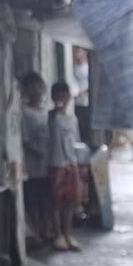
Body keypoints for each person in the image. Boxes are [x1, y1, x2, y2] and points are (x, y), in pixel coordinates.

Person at [16, 72, 57, 253]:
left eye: (39, 86)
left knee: (47, 199)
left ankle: (47, 230)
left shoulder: (47, 112)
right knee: (33, 199)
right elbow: (23, 140)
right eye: (32, 86)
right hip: (32, 166)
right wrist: (35, 152)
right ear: (26, 90)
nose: (36, 90)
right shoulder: (24, 112)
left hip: (49, 164)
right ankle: (37, 232)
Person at [49, 80, 87, 252]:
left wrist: (79, 163)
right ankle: (57, 235)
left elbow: (76, 142)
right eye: (58, 96)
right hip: (56, 163)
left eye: (64, 96)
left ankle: (68, 233)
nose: (61, 100)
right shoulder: (51, 118)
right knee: (57, 202)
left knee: (71, 201)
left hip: (71, 164)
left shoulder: (73, 119)